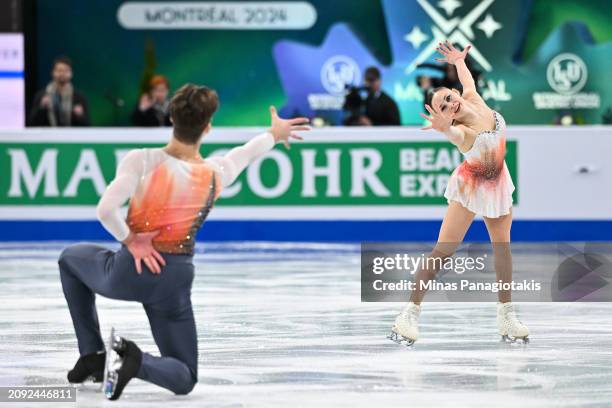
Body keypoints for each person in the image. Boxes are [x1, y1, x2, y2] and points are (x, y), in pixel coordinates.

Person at [57, 84, 310, 400]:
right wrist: (274, 134)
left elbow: (106, 210)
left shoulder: (143, 160)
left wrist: (132, 240)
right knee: (185, 375)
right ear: (207, 128)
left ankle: (92, 354)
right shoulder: (215, 173)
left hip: (129, 271)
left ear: (171, 120)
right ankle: (134, 360)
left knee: (69, 258)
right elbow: (244, 154)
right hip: (174, 281)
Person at [389, 42, 529, 346]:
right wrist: (444, 129)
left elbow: (467, 81)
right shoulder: (461, 132)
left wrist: (459, 61)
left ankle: (506, 314)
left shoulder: (473, 98)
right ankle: (409, 314)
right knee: (443, 251)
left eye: (449, 98)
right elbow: (454, 135)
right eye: (443, 107)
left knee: (503, 249)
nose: (451, 103)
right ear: (446, 117)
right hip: (470, 186)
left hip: (498, 183)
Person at [28, 56, 90, 127]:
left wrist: (80, 116)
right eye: (59, 70)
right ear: (53, 72)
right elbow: (31, 123)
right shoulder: (42, 95)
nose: (62, 74)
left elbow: (88, 125)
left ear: (71, 73)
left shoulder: (79, 98)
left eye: (66, 71)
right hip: (48, 137)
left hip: (71, 137)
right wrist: (42, 108)